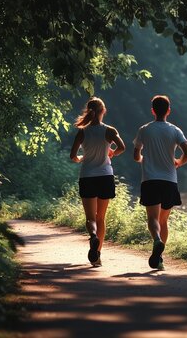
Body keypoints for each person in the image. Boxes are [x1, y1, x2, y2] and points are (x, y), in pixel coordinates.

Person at [133, 95, 187, 270]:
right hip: (169, 180)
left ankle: (157, 240)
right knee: (163, 221)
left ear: (152, 110)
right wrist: (178, 162)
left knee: (152, 218)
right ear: (168, 110)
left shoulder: (144, 130)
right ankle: (159, 258)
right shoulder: (175, 130)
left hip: (150, 180)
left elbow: (136, 156)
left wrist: (144, 158)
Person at [70, 97, 125, 266]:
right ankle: (97, 255)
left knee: (90, 218)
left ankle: (93, 236)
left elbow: (73, 156)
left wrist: (80, 159)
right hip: (105, 176)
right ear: (104, 111)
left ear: (89, 111)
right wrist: (112, 153)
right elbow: (122, 147)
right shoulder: (109, 130)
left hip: (87, 176)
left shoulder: (82, 131)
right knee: (101, 217)